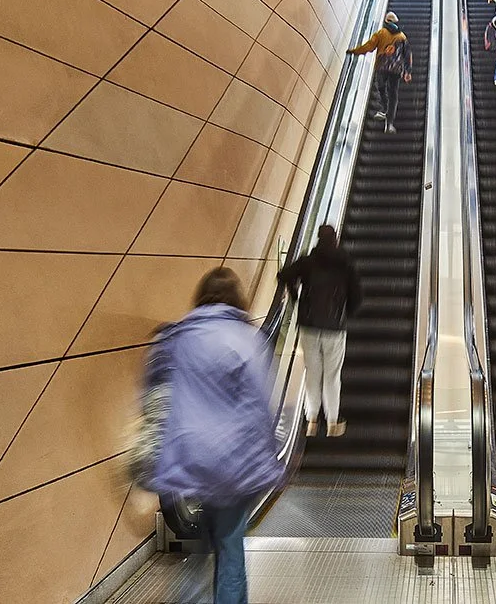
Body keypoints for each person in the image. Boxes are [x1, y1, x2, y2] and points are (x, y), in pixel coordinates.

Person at [144, 267, 284, 603]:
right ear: (237, 298)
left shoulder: (178, 337)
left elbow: (156, 395)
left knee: (199, 546)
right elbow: (257, 408)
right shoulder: (247, 339)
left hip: (189, 459)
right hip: (232, 464)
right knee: (229, 546)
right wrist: (269, 460)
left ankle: (189, 598)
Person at [276, 223, 363, 437]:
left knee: (313, 373)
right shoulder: (346, 264)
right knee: (332, 375)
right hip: (335, 328)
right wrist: (346, 314)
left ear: (318, 238)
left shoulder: (308, 261)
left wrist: (295, 295)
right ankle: (332, 421)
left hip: (309, 325)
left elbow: (283, 275)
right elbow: (357, 296)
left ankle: (312, 420)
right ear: (336, 239)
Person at [345, 12, 412, 132]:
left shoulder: (381, 33)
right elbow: (407, 55)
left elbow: (369, 46)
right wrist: (408, 71)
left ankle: (385, 109)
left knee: (381, 87)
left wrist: (355, 51)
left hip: (381, 66)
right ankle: (389, 124)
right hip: (396, 70)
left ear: (386, 21)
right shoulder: (402, 37)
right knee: (393, 95)